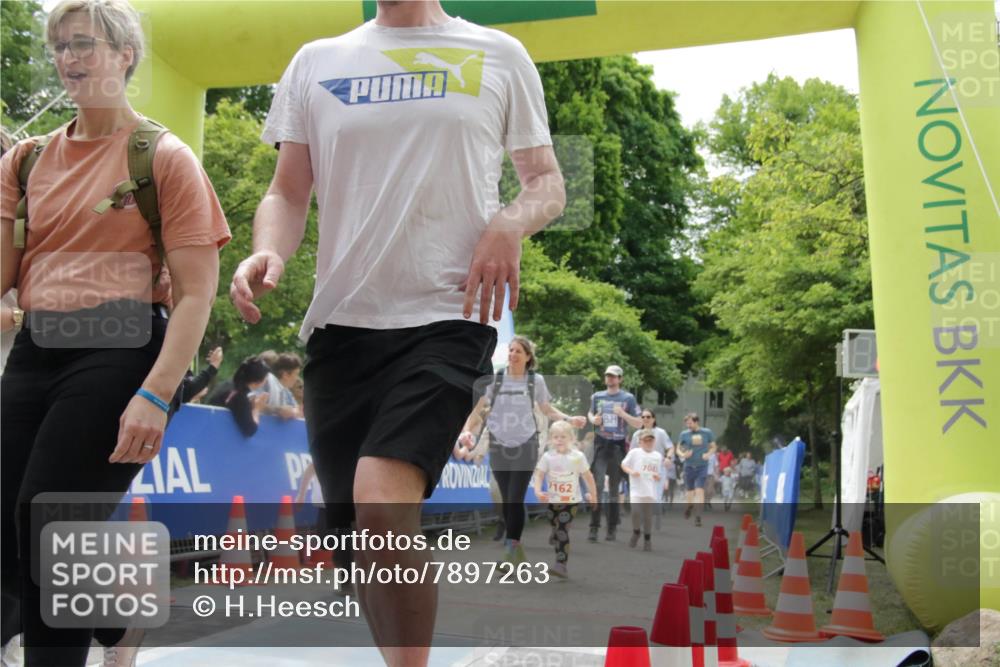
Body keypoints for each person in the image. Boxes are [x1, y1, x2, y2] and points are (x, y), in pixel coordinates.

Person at [228, 1, 564, 662]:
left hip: (448, 315)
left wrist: (507, 223)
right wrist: (268, 250)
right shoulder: (315, 62)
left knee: (381, 503)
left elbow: (547, 182)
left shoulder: (499, 54)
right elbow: (288, 191)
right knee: (362, 540)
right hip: (341, 328)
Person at [0, 1, 230, 664]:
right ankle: (117, 619)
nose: (70, 58)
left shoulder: (162, 157)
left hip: (123, 344)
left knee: (51, 522)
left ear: (125, 54)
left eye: (85, 44)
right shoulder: (23, 162)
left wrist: (156, 394)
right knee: (11, 535)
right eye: (61, 46)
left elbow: (195, 292)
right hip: (38, 347)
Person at [455, 336, 586, 564]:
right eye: (511, 350)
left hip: (526, 445)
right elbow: (476, 410)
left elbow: (547, 409)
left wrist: (568, 418)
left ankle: (511, 549)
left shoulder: (536, 381)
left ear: (528, 357)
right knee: (507, 500)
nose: (512, 355)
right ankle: (516, 551)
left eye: (518, 351)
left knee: (515, 499)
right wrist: (467, 430)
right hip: (498, 444)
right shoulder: (495, 379)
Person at [532, 421, 597, 578]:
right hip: (553, 500)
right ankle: (554, 532)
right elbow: (539, 474)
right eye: (556, 437)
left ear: (572, 438)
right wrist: (538, 490)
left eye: (563, 436)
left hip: (570, 501)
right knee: (555, 525)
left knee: (562, 530)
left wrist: (594, 496)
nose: (559, 440)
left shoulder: (577, 457)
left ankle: (561, 565)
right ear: (550, 439)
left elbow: (588, 476)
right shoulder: (548, 457)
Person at [586, 365, 642, 542]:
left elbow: (639, 423)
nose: (610, 379)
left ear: (620, 379)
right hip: (601, 445)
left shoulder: (628, 398)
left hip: (618, 446)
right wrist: (592, 419)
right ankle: (594, 527)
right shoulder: (597, 396)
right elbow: (590, 413)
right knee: (598, 484)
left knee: (613, 491)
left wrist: (623, 414)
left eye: (614, 376)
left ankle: (611, 528)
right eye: (608, 376)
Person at [621, 429, 663, 551]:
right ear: (640, 442)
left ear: (654, 441)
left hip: (650, 489)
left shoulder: (657, 456)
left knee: (648, 516)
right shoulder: (634, 452)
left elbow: (658, 474)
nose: (649, 442)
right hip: (636, 488)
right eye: (646, 440)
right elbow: (624, 465)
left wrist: (657, 477)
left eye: (651, 440)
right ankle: (636, 531)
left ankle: (647, 539)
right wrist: (631, 472)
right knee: (635, 512)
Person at [208, 356, 270, 437]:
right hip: (216, 435)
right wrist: (257, 408)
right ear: (258, 382)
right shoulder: (240, 395)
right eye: (266, 379)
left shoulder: (227, 384)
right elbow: (250, 429)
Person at [677, 412, 717, 527]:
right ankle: (689, 507)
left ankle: (698, 516)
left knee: (700, 490)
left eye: (690, 423)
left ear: (696, 421)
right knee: (690, 491)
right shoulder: (684, 434)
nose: (688, 426)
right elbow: (678, 449)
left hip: (702, 466)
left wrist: (708, 454)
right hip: (689, 466)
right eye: (686, 424)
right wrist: (683, 455)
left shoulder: (707, 432)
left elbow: (714, 447)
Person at [258, 349, 302, 419]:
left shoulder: (286, 391)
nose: (297, 379)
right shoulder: (268, 379)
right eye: (296, 374)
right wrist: (277, 410)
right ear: (285, 375)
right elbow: (252, 403)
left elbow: (297, 412)